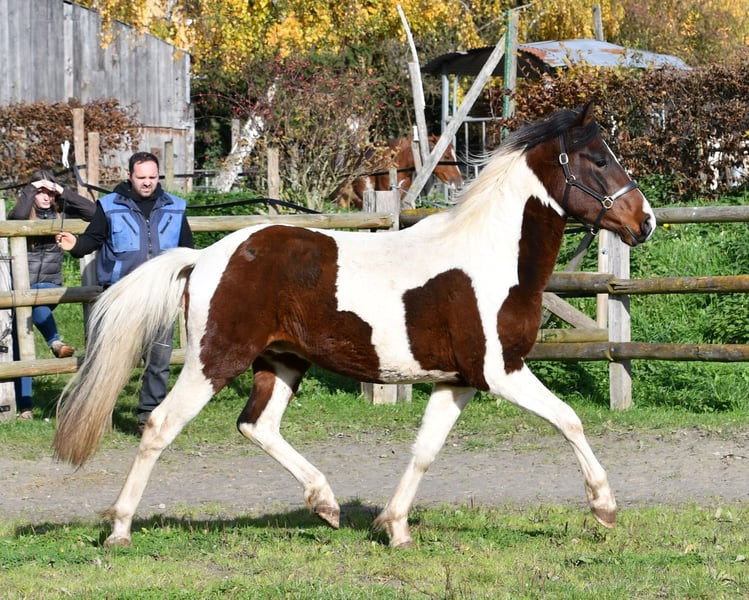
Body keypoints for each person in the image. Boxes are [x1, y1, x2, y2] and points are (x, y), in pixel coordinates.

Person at [57, 151, 194, 434]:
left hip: (161, 297)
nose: (147, 182)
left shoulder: (176, 207)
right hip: (121, 298)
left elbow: (187, 251)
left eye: (152, 177)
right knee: (108, 360)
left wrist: (186, 287)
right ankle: (93, 417)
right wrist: (75, 245)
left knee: (158, 363)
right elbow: (92, 240)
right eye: (141, 177)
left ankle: (147, 419)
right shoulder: (109, 206)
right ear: (129, 176)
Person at [9, 170, 96, 420]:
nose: (46, 197)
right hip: (20, 289)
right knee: (20, 343)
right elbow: (16, 218)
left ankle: (55, 342)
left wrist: (63, 191)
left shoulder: (62, 214)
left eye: (50, 192)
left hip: (49, 287)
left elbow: (93, 212)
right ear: (31, 193)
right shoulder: (23, 213)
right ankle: (25, 407)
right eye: (41, 192)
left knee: (35, 298)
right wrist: (31, 187)